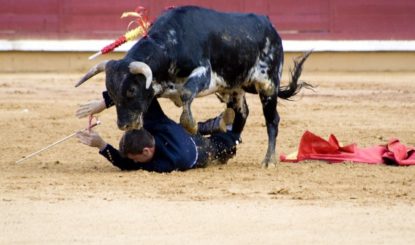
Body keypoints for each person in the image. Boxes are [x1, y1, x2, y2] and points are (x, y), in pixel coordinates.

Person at [76, 92, 242, 172]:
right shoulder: (154, 122)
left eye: (135, 158)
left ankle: (226, 132)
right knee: (191, 131)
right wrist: (105, 102)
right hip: (179, 133)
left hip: (198, 151)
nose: (133, 161)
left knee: (224, 146)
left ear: (146, 151)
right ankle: (204, 126)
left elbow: (126, 165)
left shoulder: (168, 162)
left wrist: (101, 144)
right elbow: (137, 89)